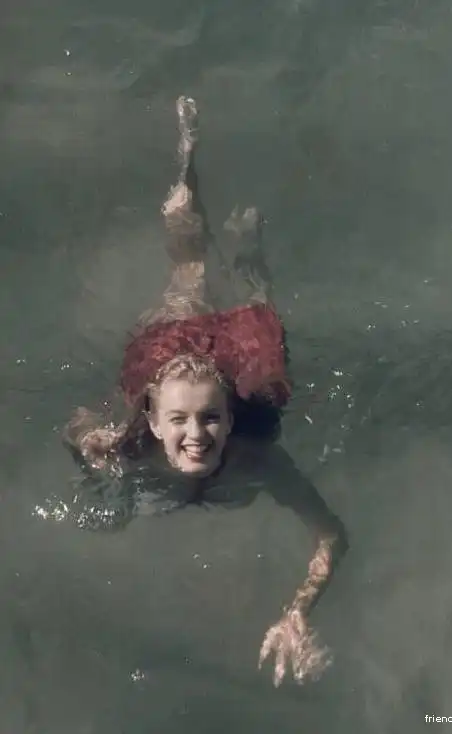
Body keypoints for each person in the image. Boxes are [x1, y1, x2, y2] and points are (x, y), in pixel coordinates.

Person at [63, 96, 348, 688]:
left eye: (210, 419)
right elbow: (76, 424)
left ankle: (249, 256)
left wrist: (297, 611)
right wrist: (88, 446)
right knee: (187, 272)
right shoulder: (132, 443)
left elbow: (331, 534)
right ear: (154, 421)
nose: (196, 436)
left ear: (229, 417)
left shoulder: (258, 458)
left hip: (225, 368)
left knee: (257, 307)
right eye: (180, 421)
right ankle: (186, 156)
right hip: (168, 353)